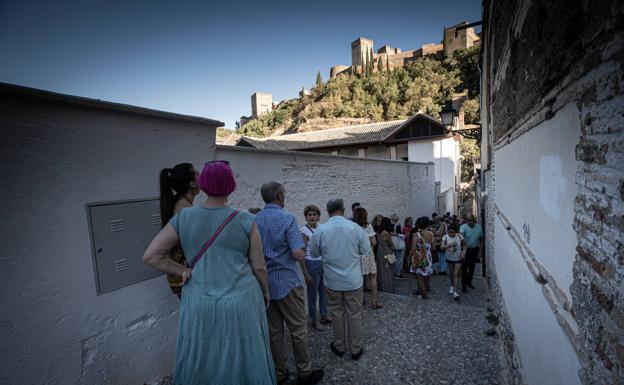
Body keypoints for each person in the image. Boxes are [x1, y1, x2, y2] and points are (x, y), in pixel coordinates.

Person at [143, 160, 276, 385]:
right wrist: (265, 291)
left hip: (199, 299)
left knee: (205, 355)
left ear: (203, 185)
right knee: (243, 354)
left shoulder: (183, 217)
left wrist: (183, 270)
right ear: (231, 184)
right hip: (241, 297)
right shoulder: (245, 219)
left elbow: (151, 256)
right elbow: (259, 266)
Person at [255, 181, 324, 385]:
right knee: (298, 330)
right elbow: (297, 253)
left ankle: (279, 373)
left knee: (274, 333)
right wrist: (302, 250)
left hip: (265, 284)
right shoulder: (287, 219)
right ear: (278, 196)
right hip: (287, 282)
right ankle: (304, 372)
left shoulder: (254, 219)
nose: (285, 196)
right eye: (284, 193)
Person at [310, 199, 371, 360]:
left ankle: (339, 345)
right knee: (354, 314)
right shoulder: (356, 228)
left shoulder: (321, 230)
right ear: (343, 210)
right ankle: (355, 349)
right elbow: (365, 250)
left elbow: (314, 253)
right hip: (353, 280)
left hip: (332, 281)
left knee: (336, 314)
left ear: (327, 211)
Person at [158, 163, 200, 299]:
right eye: (198, 173)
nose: (201, 176)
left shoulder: (181, 203)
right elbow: (193, 246)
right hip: (186, 277)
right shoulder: (185, 210)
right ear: (193, 183)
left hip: (181, 276)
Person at [300, 205, 330, 331]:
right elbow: (301, 253)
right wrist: (305, 273)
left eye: (314, 214)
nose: (312, 217)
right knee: (312, 294)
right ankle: (314, 319)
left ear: (318, 216)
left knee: (324, 291)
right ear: (306, 217)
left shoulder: (322, 228)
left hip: (323, 263)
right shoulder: (304, 231)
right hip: (311, 264)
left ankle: (324, 315)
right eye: (309, 215)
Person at [353, 207, 382, 309]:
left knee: (359, 279)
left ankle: (361, 299)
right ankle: (374, 302)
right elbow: (374, 242)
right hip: (368, 254)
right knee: (373, 277)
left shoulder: (353, 227)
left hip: (357, 255)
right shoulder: (368, 226)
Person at [409, 216, 434, 299]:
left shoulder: (416, 235)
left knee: (419, 279)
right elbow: (433, 248)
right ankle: (424, 293)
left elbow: (413, 249)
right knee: (426, 277)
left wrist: (409, 257)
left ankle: (424, 297)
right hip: (428, 258)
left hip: (418, 259)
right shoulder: (431, 234)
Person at [459, 214, 484, 292]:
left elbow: (481, 239)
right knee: (464, 267)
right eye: (468, 220)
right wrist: (463, 250)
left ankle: (469, 282)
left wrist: (480, 251)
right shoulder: (463, 227)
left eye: (471, 220)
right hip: (466, 250)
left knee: (472, 268)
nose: (470, 222)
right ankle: (463, 285)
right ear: (466, 220)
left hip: (474, 249)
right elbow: (461, 238)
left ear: (474, 220)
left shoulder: (479, 228)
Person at [441, 224, 464, 300]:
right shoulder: (445, 237)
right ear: (448, 232)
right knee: (451, 273)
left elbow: (465, 245)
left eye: (453, 232)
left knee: (456, 274)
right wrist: (449, 245)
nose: (452, 234)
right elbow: (442, 247)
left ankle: (455, 292)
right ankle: (452, 285)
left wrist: (464, 252)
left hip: (458, 258)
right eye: (450, 232)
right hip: (449, 258)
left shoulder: (459, 236)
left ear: (456, 232)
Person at [375, 217, 396, 293]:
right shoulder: (386, 233)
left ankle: (381, 286)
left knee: (381, 269)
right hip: (387, 252)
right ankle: (388, 288)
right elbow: (392, 244)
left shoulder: (378, 232)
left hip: (380, 252)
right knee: (388, 270)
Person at [389, 214, 406, 279]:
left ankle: (391, 273)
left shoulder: (389, 225)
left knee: (391, 259)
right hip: (398, 244)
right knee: (398, 259)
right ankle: (397, 273)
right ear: (397, 219)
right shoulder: (397, 225)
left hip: (391, 243)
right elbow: (399, 234)